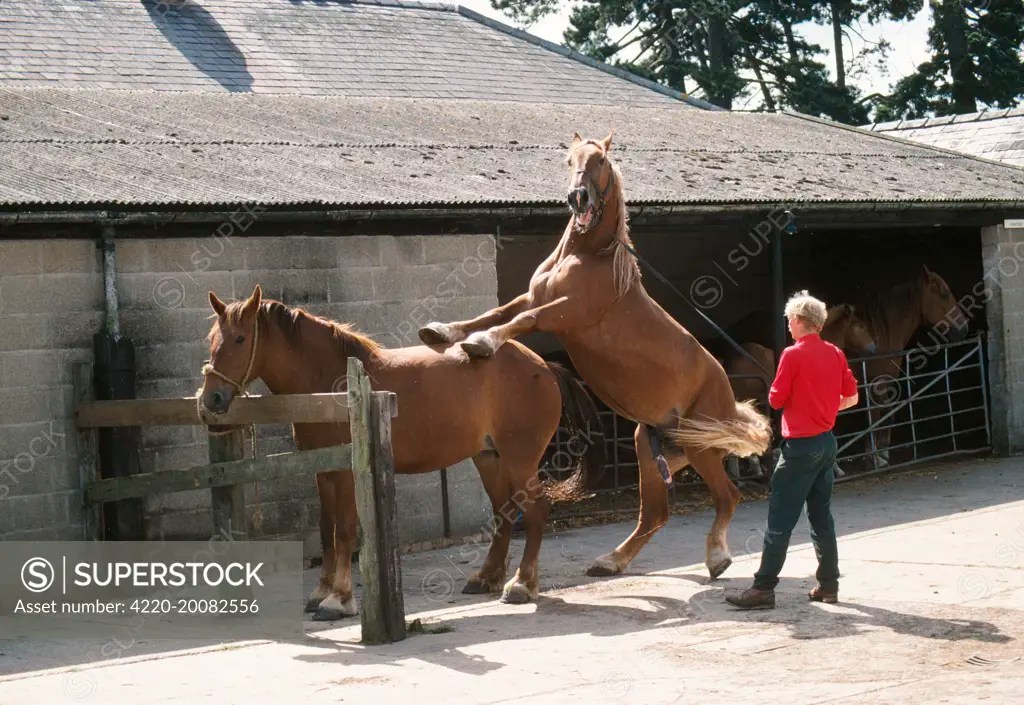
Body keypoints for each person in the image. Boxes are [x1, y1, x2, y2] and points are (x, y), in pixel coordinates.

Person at [726, 290, 859, 610]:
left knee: (780, 520)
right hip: (827, 442)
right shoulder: (836, 353)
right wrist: (825, 407)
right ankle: (828, 586)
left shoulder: (792, 355)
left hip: (799, 446)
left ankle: (763, 588)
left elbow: (774, 399)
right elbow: (852, 397)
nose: (788, 325)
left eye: (789, 320)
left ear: (799, 321)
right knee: (821, 517)